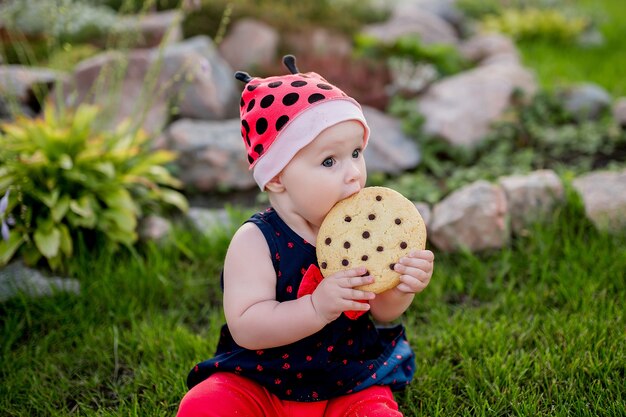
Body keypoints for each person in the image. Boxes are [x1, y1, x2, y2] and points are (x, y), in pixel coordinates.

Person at [176, 55, 435, 417]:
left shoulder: (365, 236)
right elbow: (247, 327)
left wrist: (402, 286)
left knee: (373, 411)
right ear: (278, 177)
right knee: (205, 405)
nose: (353, 175)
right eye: (329, 161)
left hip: (348, 377)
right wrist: (316, 307)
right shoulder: (256, 241)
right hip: (263, 380)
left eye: (356, 154)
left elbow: (381, 310)